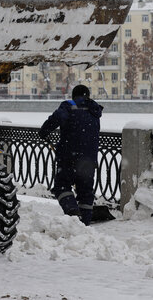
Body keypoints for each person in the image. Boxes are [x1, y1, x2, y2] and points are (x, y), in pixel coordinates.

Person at [39, 85, 103, 225]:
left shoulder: (69, 105)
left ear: (74, 96)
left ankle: (72, 211)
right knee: (85, 191)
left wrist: (43, 131)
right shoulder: (95, 109)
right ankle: (84, 223)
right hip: (89, 159)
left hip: (69, 156)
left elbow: (56, 119)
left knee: (61, 186)